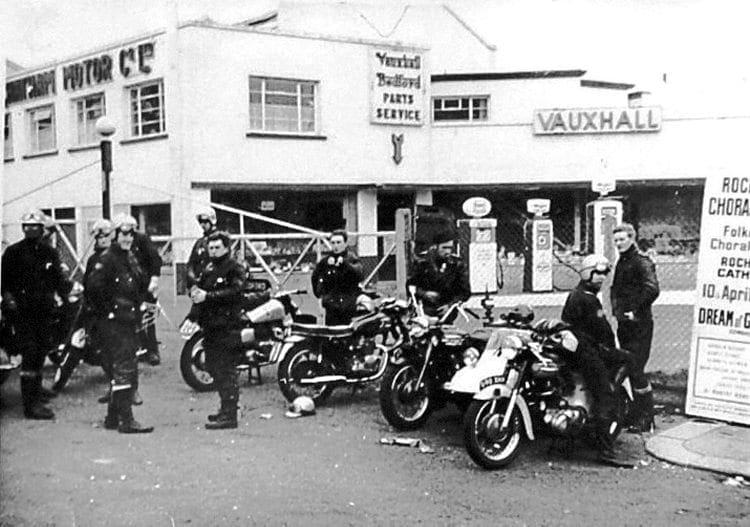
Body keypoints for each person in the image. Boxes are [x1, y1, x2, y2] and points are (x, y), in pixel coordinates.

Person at [561, 254, 635, 460]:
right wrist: (609, 349)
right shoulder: (587, 299)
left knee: (625, 359)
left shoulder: (578, 294)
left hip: (581, 349)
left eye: (604, 273)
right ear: (587, 273)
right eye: (597, 273)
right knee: (605, 393)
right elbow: (601, 329)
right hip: (589, 352)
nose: (601, 278)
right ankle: (604, 447)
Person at [1, 210, 72, 419]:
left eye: (35, 226)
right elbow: (3, 282)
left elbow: (59, 279)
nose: (31, 230)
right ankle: (30, 405)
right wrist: (9, 301)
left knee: (41, 353)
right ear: (23, 228)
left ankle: (36, 391)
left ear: (42, 229)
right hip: (23, 315)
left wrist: (69, 293)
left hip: (44, 312)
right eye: (27, 226)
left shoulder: (49, 253)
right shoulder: (13, 253)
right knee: (30, 356)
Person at [182, 231, 257, 430]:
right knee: (214, 367)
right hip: (211, 326)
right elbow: (200, 293)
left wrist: (209, 296)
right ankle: (225, 408)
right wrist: (192, 315)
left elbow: (236, 292)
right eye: (211, 247)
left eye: (217, 247)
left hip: (227, 325)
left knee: (226, 369)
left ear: (226, 247)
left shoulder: (234, 267)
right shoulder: (209, 267)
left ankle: (230, 414)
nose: (213, 251)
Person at [86, 215, 153, 433]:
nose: (128, 238)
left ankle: (112, 417)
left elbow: (138, 282)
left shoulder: (129, 257)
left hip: (128, 319)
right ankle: (127, 420)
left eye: (132, 234)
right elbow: (93, 289)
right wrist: (110, 312)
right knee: (125, 368)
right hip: (114, 323)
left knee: (125, 367)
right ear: (115, 234)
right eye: (124, 233)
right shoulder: (107, 258)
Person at [611, 222, 660, 433]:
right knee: (631, 368)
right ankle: (636, 414)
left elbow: (652, 289)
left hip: (639, 325)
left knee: (637, 369)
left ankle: (647, 418)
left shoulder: (641, 262)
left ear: (632, 238)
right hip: (625, 324)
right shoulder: (623, 261)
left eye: (622, 239)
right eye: (616, 240)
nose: (619, 243)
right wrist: (618, 311)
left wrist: (635, 310)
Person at [112, 213, 162, 365]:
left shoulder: (142, 240)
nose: (128, 234)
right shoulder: (115, 243)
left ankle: (153, 350)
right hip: (127, 286)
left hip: (145, 285)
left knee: (148, 318)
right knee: (131, 319)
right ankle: (139, 348)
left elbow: (155, 259)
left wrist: (154, 278)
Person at [406, 231, 470, 316]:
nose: (448, 251)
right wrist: (424, 294)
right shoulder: (422, 263)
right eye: (444, 248)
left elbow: (465, 291)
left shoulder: (457, 265)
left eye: (450, 248)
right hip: (424, 309)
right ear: (435, 247)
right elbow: (410, 286)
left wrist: (450, 305)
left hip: (447, 309)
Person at [311, 229, 364, 325]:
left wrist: (345, 264)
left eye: (339, 242)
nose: (336, 246)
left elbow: (359, 275)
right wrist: (319, 293)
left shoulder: (352, 258)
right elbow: (315, 276)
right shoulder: (325, 261)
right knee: (332, 333)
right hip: (331, 304)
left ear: (345, 243)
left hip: (348, 303)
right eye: (333, 243)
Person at [186, 206, 219, 290]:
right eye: (200, 222)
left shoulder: (220, 240)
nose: (202, 224)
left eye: (205, 221)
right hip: (199, 285)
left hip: (214, 284)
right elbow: (191, 263)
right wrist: (192, 279)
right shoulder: (199, 242)